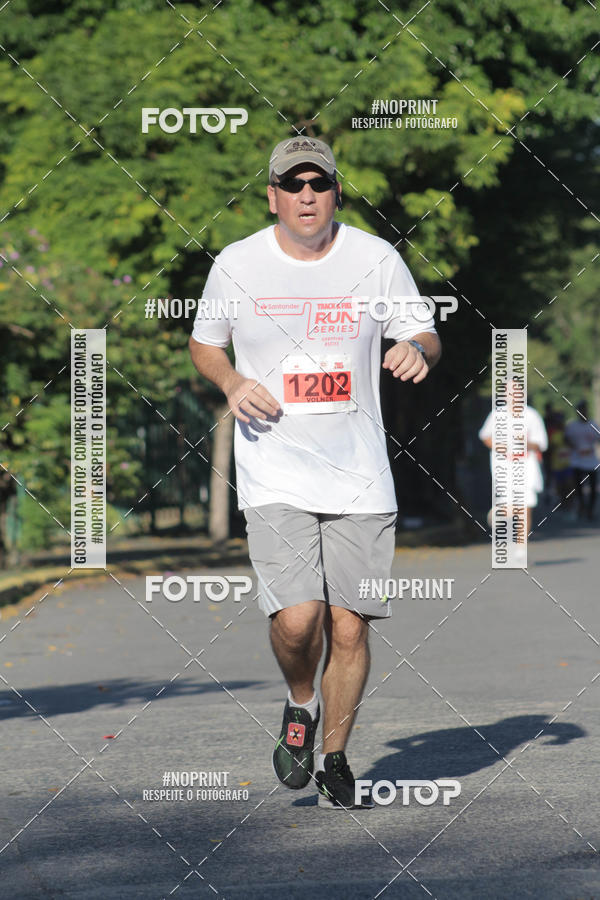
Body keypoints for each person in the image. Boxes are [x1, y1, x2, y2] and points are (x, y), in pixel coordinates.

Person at [188, 137, 441, 809]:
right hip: (273, 466)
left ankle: (334, 755)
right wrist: (232, 382)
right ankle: (299, 703)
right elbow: (205, 342)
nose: (306, 194)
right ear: (271, 194)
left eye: (318, 183)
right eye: (292, 183)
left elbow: (424, 329)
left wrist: (417, 348)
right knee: (299, 622)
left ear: (335, 192)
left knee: (350, 626)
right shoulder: (238, 263)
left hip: (359, 473)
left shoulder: (375, 258)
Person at [479, 389, 548, 536]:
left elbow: (541, 444)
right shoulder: (496, 415)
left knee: (525, 509)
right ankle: (501, 516)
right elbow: (485, 436)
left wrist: (525, 443)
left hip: (527, 468)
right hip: (504, 470)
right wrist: (498, 446)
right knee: (512, 510)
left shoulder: (531, 415)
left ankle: (521, 550)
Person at [565, 401, 600, 520]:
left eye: (584, 410)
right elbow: (567, 439)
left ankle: (590, 510)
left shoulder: (593, 424)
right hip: (577, 461)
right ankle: (581, 506)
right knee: (578, 487)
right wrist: (575, 447)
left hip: (591, 462)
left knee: (593, 487)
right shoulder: (572, 425)